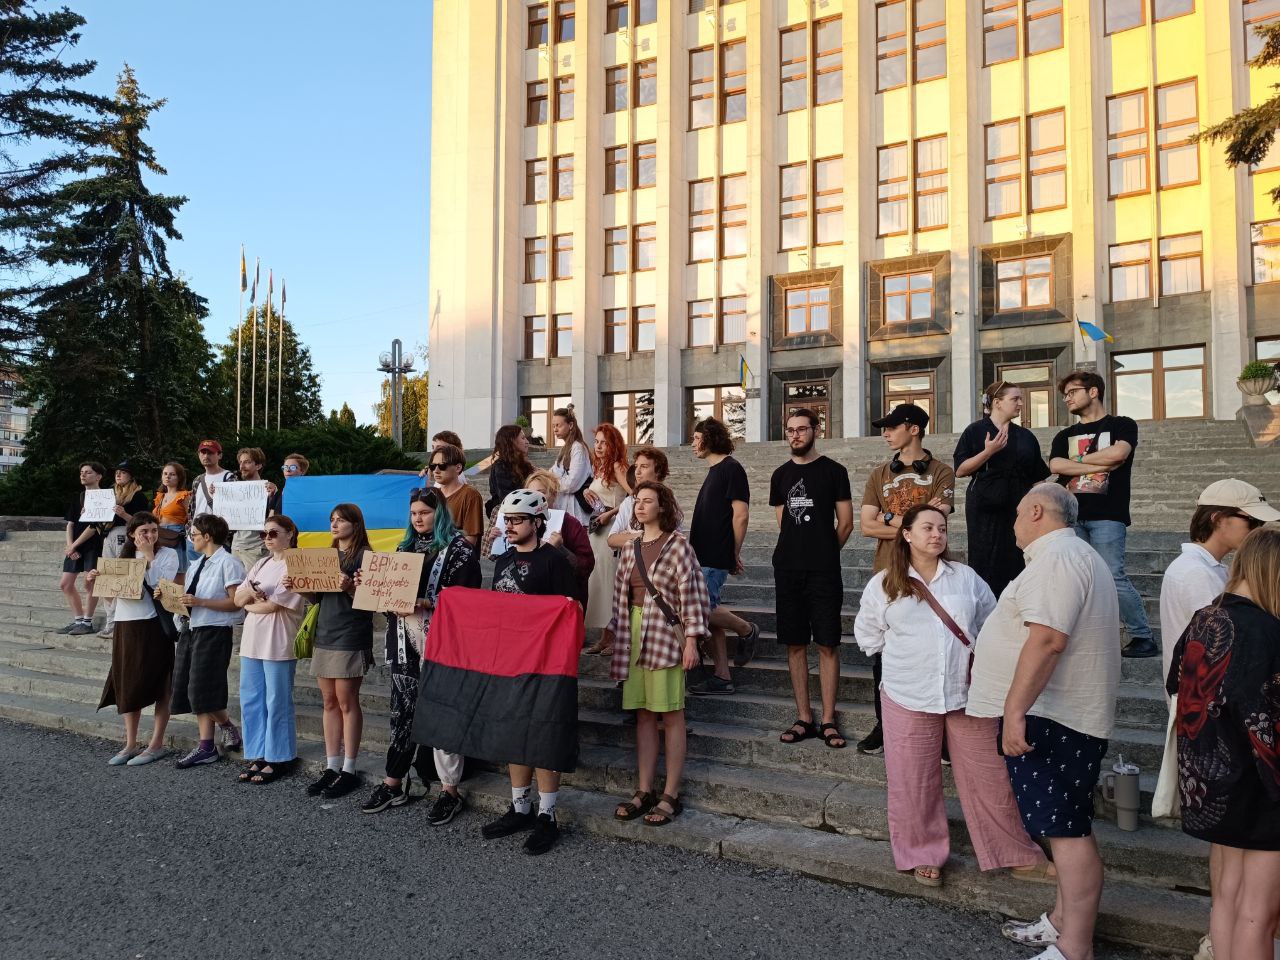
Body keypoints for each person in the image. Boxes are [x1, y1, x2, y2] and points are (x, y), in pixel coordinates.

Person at [854, 504, 1049, 887]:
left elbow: (990, 625)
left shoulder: (966, 578)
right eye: (927, 527)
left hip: (968, 694)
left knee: (990, 778)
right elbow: (868, 638)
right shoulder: (883, 584)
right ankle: (922, 853)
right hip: (908, 694)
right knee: (913, 780)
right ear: (906, 534)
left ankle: (1014, 851)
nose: (936, 534)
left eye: (942, 528)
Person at [966, 482, 1120, 960]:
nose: (1012, 523)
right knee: (1061, 829)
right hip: (1055, 714)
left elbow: (1048, 639)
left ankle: (1076, 946)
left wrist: (1014, 713)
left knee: (1067, 832)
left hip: (1052, 716)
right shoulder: (1065, 557)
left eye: (1016, 513)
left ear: (1036, 511)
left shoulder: (1058, 559)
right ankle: (1060, 923)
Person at [1156, 482, 1277, 960]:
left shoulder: (1208, 614)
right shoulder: (1265, 629)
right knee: (1258, 912)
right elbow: (1264, 713)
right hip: (1258, 784)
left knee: (1228, 895)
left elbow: (1175, 680)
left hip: (1213, 775)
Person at [362, 488, 481, 817]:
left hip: (444, 645)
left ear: (439, 513)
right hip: (404, 643)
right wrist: (373, 590)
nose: (418, 518)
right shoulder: (402, 549)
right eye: (414, 513)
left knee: (444, 712)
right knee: (402, 712)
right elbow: (387, 598)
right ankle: (392, 782)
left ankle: (449, 789)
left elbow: (469, 601)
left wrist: (428, 602)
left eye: (425, 513)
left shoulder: (459, 551)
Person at [482, 488, 583, 855]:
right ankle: (520, 806)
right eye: (505, 520)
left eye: (516, 520)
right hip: (509, 661)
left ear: (537, 522)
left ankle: (547, 814)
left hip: (545, 665)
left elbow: (571, 612)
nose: (508, 526)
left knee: (542, 736)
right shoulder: (503, 560)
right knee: (514, 733)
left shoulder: (553, 561)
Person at [610, 481, 709, 827]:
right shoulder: (631, 546)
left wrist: (693, 642)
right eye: (637, 500)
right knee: (643, 715)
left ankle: (670, 794)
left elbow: (694, 596)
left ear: (663, 507)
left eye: (647, 501)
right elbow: (620, 596)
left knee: (671, 714)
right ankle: (643, 789)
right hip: (633, 634)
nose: (639, 506)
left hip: (666, 635)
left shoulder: (679, 546)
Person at [859, 402, 955, 754]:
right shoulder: (880, 473)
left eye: (891, 426)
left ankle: (942, 735)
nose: (885, 433)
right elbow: (866, 525)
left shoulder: (942, 472)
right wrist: (914, 525)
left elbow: (935, 520)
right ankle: (884, 726)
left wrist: (889, 519)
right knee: (882, 657)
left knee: (935, 652)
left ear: (913, 428)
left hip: (931, 574)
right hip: (888, 574)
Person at [1048, 370, 1155, 659]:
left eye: (1072, 392)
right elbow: (1057, 465)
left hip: (1108, 513)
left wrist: (1076, 462)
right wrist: (1097, 464)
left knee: (1112, 575)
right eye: (1065, 394)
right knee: (1075, 579)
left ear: (1093, 391)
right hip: (1070, 517)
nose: (1067, 398)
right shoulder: (1064, 435)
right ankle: (1081, 637)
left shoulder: (1122, 425)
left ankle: (1142, 635)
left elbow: (1119, 454)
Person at [770, 409, 855, 750]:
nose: (795, 435)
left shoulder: (834, 471)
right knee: (794, 643)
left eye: (802, 429)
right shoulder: (780, 475)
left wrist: (822, 552)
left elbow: (846, 523)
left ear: (816, 430)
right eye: (790, 430)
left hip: (824, 571)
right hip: (788, 569)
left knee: (827, 643)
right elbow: (782, 523)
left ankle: (829, 719)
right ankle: (804, 716)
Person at [285, 503, 374, 800]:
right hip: (325, 631)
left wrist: (349, 588)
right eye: (331, 520)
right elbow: (316, 598)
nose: (334, 525)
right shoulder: (327, 555)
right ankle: (331, 765)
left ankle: (349, 768)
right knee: (328, 701)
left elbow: (375, 600)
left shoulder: (366, 556)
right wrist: (298, 586)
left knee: (347, 701)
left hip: (350, 634)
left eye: (341, 520)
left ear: (356, 523)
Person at [93, 511, 178, 766]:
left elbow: (160, 589)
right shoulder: (124, 557)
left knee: (161, 682)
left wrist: (150, 557)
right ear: (132, 534)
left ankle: (156, 743)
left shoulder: (168, 555)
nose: (150, 535)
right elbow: (111, 597)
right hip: (125, 624)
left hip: (153, 624)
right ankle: (130, 743)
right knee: (127, 681)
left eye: (153, 530)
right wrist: (97, 582)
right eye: (144, 532)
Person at [953, 381, 1051, 597]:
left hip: (1020, 508)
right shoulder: (975, 431)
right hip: (985, 508)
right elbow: (960, 470)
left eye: (1021, 399)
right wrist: (988, 452)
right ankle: (986, 616)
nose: (1021, 404)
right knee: (984, 560)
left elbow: (1038, 479)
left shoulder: (1026, 436)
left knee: (1019, 560)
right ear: (997, 402)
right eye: (1015, 399)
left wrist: (1043, 508)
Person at [687, 417, 760, 695]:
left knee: (701, 609)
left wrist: (734, 552)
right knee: (708, 613)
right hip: (700, 554)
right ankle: (722, 676)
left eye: (696, 438)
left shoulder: (732, 468)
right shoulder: (713, 470)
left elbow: (740, 515)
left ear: (710, 437)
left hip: (715, 553)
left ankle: (746, 630)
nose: (693, 443)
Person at [233, 514, 306, 785]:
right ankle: (259, 752)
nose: (267, 538)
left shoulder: (296, 564)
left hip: (279, 639)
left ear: (290, 533)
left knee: (277, 700)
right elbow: (237, 598)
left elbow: (275, 605)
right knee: (251, 698)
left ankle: (280, 756)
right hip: (252, 639)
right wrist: (252, 599)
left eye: (273, 533)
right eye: (264, 534)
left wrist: (250, 600)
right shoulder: (261, 563)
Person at [173, 514, 246, 768]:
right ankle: (206, 745)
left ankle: (225, 729)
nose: (191, 537)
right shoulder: (197, 564)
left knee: (201, 689)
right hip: (191, 628)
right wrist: (169, 597)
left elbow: (237, 604)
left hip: (214, 631)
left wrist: (201, 602)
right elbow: (189, 599)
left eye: (194, 533)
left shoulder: (229, 563)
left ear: (207, 536)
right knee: (189, 689)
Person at [582, 423, 630, 654]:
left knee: (611, 582)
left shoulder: (619, 466)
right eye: (597, 442)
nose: (598, 446)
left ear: (613, 444)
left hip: (612, 530)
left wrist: (608, 514)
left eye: (603, 442)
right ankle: (604, 637)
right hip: (597, 533)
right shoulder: (599, 468)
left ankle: (615, 638)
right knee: (599, 582)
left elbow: (634, 497)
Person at [96, 460, 151, 638]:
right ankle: (111, 620)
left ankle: (116, 622)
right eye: (117, 472)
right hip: (109, 535)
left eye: (123, 472)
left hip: (125, 535)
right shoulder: (110, 494)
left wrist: (124, 514)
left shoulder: (138, 496)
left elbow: (143, 523)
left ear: (131, 476)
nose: (118, 475)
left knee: (120, 577)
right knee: (106, 577)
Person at [59, 461, 108, 636]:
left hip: (94, 545)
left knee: (90, 584)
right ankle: (78, 619)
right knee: (65, 584)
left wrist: (74, 545)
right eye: (81, 472)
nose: (83, 475)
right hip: (75, 545)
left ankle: (87, 622)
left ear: (98, 476)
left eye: (88, 472)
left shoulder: (104, 497)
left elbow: (95, 526)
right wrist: (70, 546)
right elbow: (70, 524)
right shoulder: (78, 497)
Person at [187, 440, 236, 562]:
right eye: (203, 452)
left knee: (215, 577)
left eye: (210, 453)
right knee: (194, 576)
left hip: (215, 538)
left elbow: (235, 508)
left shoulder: (229, 477)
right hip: (194, 537)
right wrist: (189, 530)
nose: (206, 456)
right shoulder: (198, 479)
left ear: (219, 455)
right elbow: (192, 508)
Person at [229, 447, 278, 569]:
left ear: (258, 466)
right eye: (240, 462)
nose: (242, 466)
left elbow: (275, 518)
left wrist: (274, 495)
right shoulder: (234, 489)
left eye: (247, 462)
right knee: (236, 586)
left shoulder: (268, 489)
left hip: (256, 547)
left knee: (254, 585)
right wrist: (216, 495)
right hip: (235, 546)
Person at [428, 442, 484, 545]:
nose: (436, 470)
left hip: (457, 558)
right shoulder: (432, 495)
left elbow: (470, 539)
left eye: (442, 465)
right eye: (432, 466)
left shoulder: (470, 495)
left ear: (458, 468)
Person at [549, 406, 593, 527]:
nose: (555, 429)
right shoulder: (565, 449)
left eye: (559, 425)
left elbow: (571, 483)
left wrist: (552, 482)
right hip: (564, 509)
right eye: (553, 426)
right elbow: (551, 473)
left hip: (576, 511)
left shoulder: (578, 448)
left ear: (571, 425)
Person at [152, 461, 192, 577]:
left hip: (175, 535)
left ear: (179, 477)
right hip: (159, 534)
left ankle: (179, 595)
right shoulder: (161, 496)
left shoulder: (183, 495)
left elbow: (191, 517)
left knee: (177, 571)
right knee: (160, 570)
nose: (167, 477)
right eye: (165, 474)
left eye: (172, 474)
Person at [486, 424, 534, 516]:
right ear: (511, 441)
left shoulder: (524, 464)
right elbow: (508, 498)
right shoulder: (501, 467)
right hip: (511, 516)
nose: (527, 442)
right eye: (523, 438)